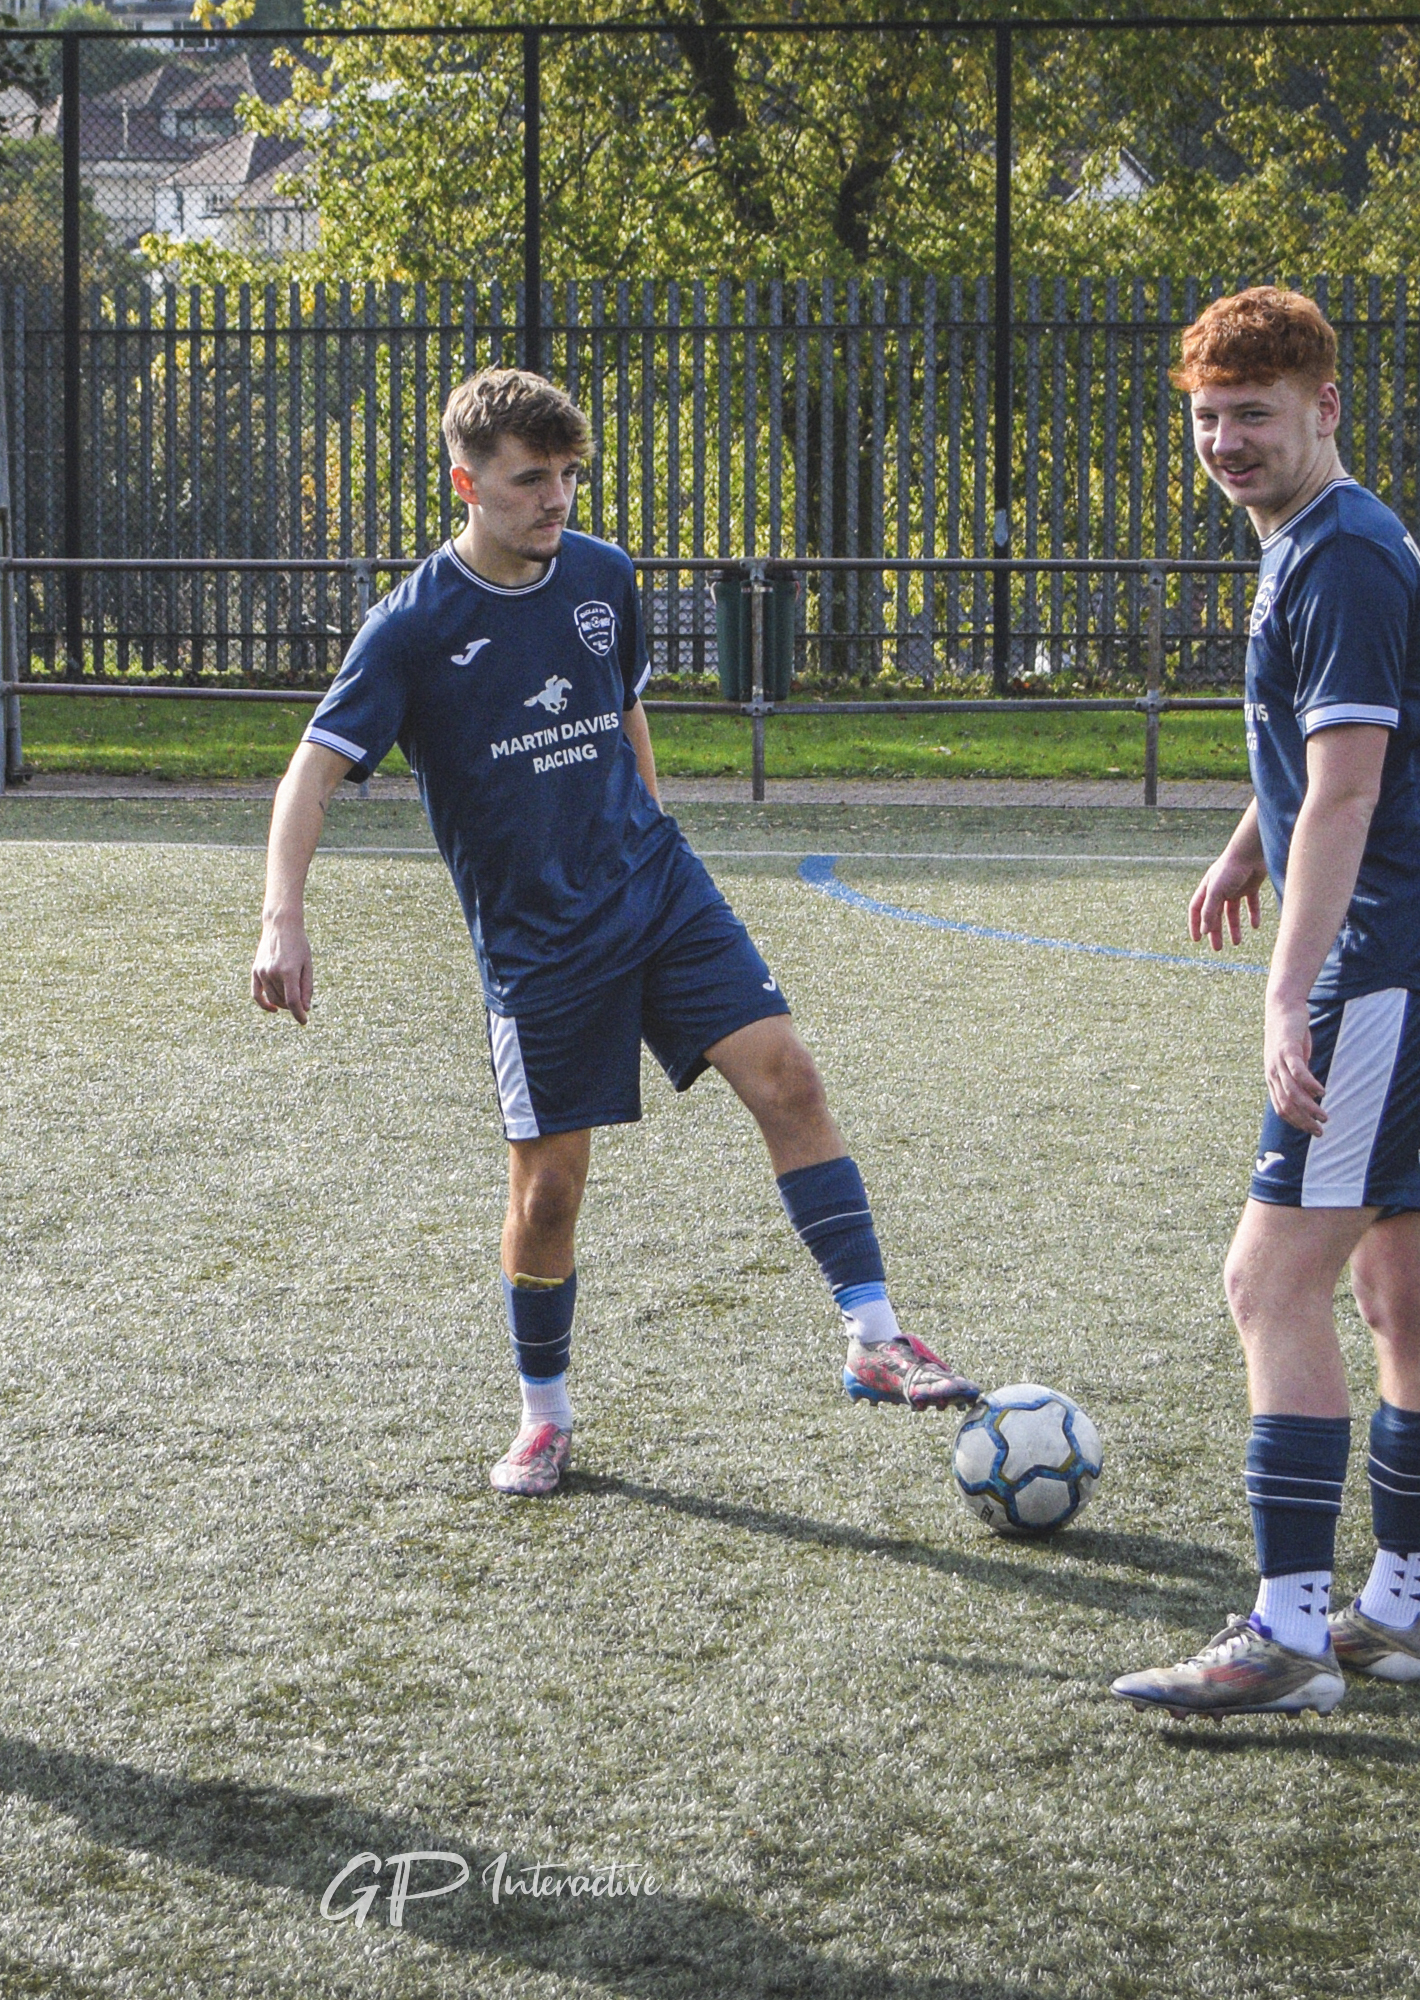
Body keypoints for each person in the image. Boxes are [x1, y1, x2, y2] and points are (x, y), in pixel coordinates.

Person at [251, 368, 981, 1499]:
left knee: (787, 1076)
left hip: (658, 889)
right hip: (540, 944)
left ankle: (875, 1335)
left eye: (569, 476)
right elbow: (312, 772)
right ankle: (544, 1416)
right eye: (530, 480)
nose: (557, 500)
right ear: (467, 484)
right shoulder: (410, 628)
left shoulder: (602, 573)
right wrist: (281, 919)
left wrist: (649, 815)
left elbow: (622, 699)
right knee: (551, 1191)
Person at [1111, 288, 1420, 1718]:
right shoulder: (1330, 540)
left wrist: (1289, 999)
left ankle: (1288, 1638)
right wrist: (1245, 841)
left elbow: (1348, 789)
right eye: (1210, 416)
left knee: (1268, 1281)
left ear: (1325, 407)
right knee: (1400, 1287)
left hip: (1393, 970)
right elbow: (1323, 755)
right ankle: (1394, 1620)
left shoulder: (1335, 555)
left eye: (1256, 413)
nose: (1228, 440)